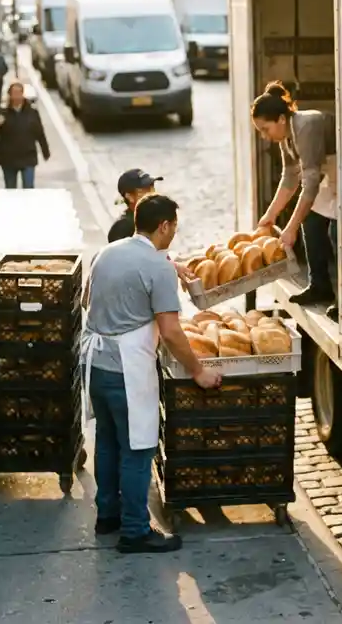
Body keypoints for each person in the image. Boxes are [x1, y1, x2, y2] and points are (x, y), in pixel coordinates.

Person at [81, 195, 222, 554]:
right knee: (137, 448)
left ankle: (107, 516)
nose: (174, 233)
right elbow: (171, 331)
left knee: (107, 441)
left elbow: (86, 302)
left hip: (96, 365)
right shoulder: (158, 267)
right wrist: (198, 371)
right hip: (126, 369)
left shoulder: (106, 253)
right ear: (164, 226)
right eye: (174, 226)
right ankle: (134, 531)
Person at [252, 81, 339, 320]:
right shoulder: (286, 136)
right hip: (328, 175)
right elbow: (290, 177)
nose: (264, 136)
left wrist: (289, 229)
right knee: (310, 222)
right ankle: (319, 285)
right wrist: (270, 214)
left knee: (337, 233)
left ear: (281, 119)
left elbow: (310, 184)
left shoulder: (306, 126)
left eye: (265, 129)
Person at [0, 80, 50, 189]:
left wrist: (45, 151)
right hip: (8, 158)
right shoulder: (2, 111)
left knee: (28, 188)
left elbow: (39, 133)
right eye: (14, 93)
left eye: (19, 93)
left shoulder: (32, 112)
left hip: (28, 157)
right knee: (10, 189)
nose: (17, 96)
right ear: (10, 95)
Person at [107, 169, 163, 243]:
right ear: (130, 197)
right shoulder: (123, 228)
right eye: (144, 191)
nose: (152, 193)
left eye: (152, 187)